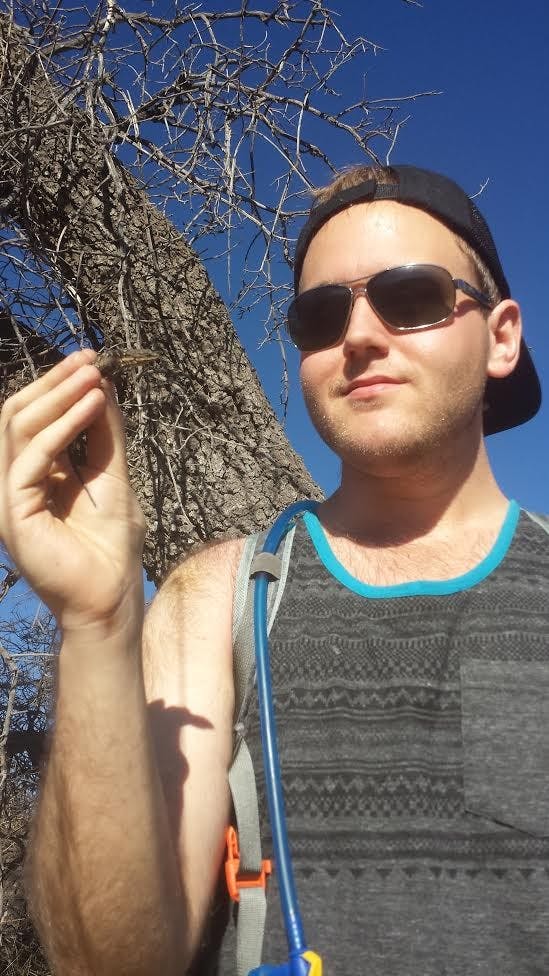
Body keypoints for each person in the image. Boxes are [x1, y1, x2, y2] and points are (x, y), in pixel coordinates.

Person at [0, 163, 547, 976]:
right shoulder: (216, 597)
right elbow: (113, 962)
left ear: (500, 335)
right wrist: (96, 622)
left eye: (410, 297)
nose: (358, 335)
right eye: (320, 315)